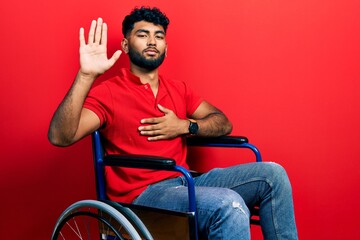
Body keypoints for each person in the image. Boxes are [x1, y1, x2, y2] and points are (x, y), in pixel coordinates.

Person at [48, 6, 298, 239]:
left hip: (186, 181)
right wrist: (86, 75)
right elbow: (60, 136)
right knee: (227, 204)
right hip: (144, 195)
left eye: (158, 36)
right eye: (142, 35)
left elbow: (223, 123)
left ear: (166, 47)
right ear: (125, 44)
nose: (152, 41)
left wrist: (186, 125)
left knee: (273, 174)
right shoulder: (109, 92)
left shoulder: (179, 90)